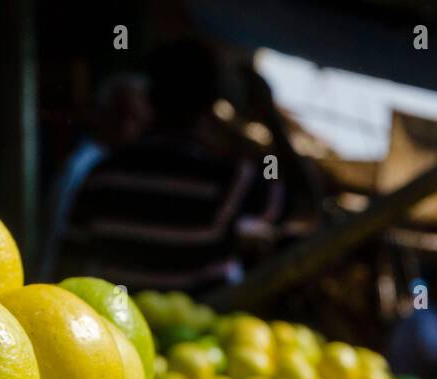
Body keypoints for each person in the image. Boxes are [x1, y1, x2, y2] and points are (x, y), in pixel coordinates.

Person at [61, 39, 283, 293]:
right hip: (200, 324)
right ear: (212, 104)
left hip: (117, 325)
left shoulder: (102, 174)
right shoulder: (230, 180)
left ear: (149, 96)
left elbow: (71, 257)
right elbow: (306, 211)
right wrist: (271, 118)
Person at [36, 74, 151, 281]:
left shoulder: (121, 165)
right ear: (101, 114)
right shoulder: (84, 166)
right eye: (120, 115)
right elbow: (62, 238)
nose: (127, 127)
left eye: (135, 118)